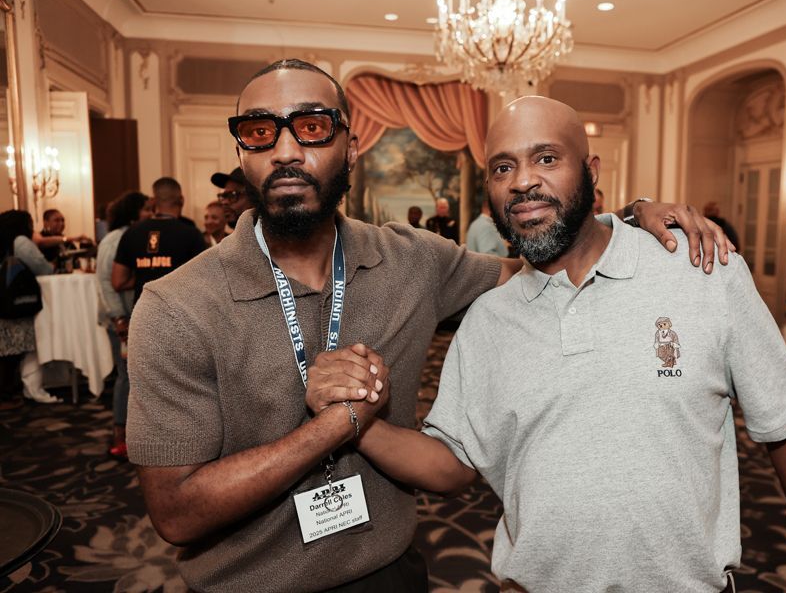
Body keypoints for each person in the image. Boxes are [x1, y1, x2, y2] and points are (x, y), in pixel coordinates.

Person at [126, 59, 729, 592]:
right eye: (260, 131)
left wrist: (624, 216)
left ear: (350, 147)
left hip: (390, 573)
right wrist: (335, 426)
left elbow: (534, 263)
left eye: (311, 127)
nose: (286, 150)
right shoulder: (177, 306)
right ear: (242, 155)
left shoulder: (412, 259)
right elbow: (176, 513)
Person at [329, 96, 786, 593]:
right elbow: (452, 463)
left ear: (591, 171)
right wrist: (353, 421)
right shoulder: (488, 320)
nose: (524, 181)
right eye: (503, 167)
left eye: (547, 158)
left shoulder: (701, 268)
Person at [96, 191, 152, 459]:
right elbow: (108, 283)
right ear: (134, 213)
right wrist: (119, 317)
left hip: (131, 316)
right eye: (146, 210)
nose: (150, 215)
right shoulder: (116, 239)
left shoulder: (135, 235)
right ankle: (119, 435)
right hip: (121, 320)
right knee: (126, 376)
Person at [111, 176, 207, 306]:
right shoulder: (192, 234)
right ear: (181, 200)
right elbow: (204, 279)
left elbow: (118, 282)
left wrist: (145, 277)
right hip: (179, 311)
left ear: (153, 201)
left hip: (143, 311)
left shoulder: (132, 233)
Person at [0, 210, 58, 410]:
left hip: (3, 302)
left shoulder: (4, 241)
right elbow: (44, 268)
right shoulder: (21, 242)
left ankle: (9, 391)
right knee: (13, 350)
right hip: (14, 303)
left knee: (6, 349)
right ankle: (6, 395)